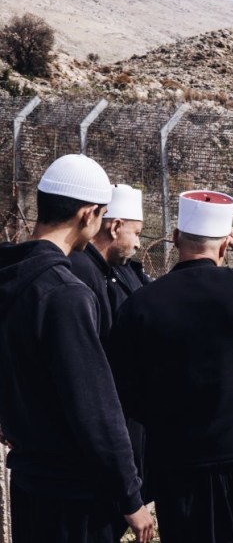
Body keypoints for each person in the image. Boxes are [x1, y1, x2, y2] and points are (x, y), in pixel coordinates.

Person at [108, 190, 233, 542]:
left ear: (176, 238)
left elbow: (123, 390)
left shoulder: (141, 305)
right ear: (224, 247)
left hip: (178, 468)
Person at [0, 154, 154, 543]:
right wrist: (130, 496)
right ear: (88, 215)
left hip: (29, 480)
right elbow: (94, 406)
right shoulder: (65, 293)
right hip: (74, 495)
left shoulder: (11, 274)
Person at [70, 183, 151, 342]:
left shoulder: (122, 269)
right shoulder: (81, 270)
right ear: (115, 227)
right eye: (136, 233)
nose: (138, 244)